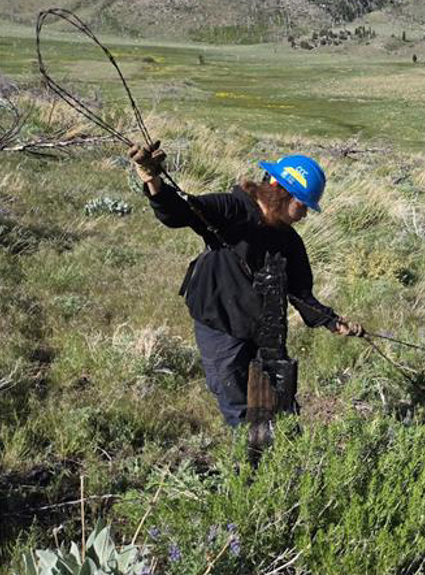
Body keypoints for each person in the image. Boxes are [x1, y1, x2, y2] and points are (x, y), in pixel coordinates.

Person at [128, 141, 365, 426]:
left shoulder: (290, 242)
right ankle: (252, 465)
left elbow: (300, 293)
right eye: (302, 205)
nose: (304, 215)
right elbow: (178, 212)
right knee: (239, 405)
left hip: (266, 331)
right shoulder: (231, 209)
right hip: (221, 325)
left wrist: (330, 321)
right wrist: (152, 178)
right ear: (282, 193)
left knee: (279, 403)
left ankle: (284, 455)